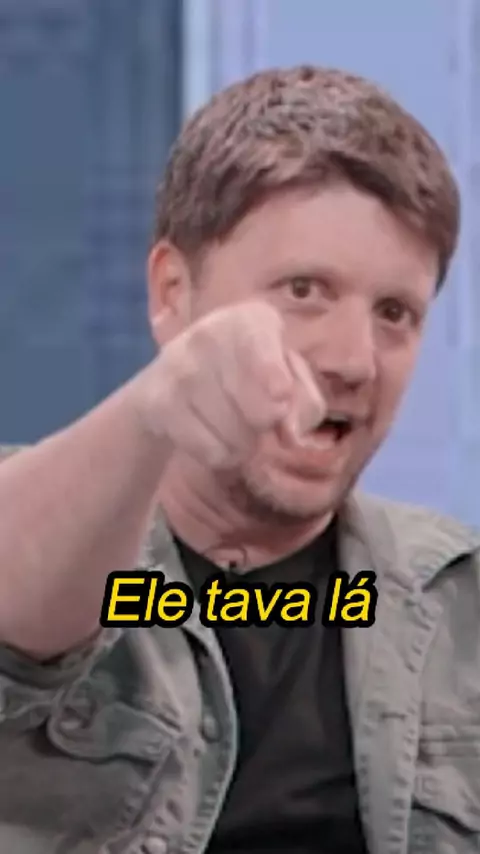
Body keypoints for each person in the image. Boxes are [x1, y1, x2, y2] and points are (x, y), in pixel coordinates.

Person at [0, 64, 479, 854]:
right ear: (172, 292)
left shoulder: (458, 604)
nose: (354, 359)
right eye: (304, 290)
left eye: (394, 313)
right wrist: (154, 409)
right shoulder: (49, 531)